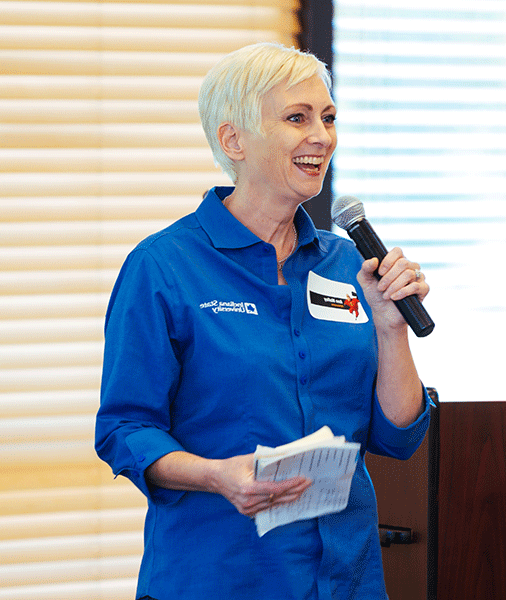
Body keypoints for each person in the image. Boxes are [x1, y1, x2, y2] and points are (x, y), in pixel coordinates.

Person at [95, 42, 432, 600]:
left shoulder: (349, 263)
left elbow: (397, 437)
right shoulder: (163, 267)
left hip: (344, 579)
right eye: (296, 118)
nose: (321, 137)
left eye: (328, 118)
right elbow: (124, 430)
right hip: (219, 575)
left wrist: (391, 328)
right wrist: (215, 476)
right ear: (234, 141)